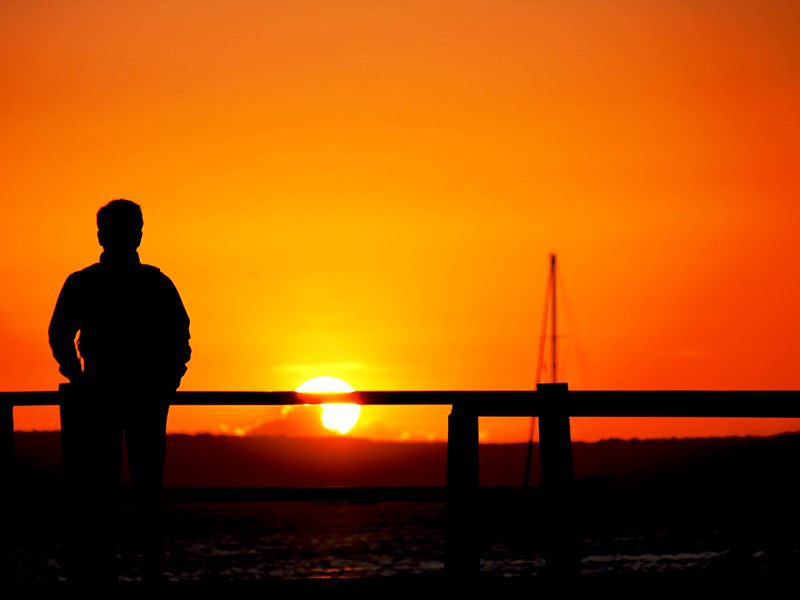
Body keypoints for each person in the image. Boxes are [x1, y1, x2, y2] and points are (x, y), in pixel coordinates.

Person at [48, 199, 191, 585]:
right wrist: (170, 378)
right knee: (133, 483)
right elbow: (181, 335)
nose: (130, 235)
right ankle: (144, 567)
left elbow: (60, 333)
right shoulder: (154, 284)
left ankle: (111, 568)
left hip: (112, 393)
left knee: (109, 484)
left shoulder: (87, 283)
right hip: (134, 394)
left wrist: (76, 375)